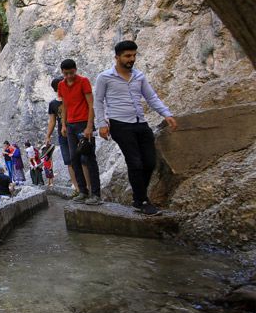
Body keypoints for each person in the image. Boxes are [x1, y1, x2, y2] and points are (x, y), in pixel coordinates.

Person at [95, 40, 178, 216]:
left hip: (140, 123)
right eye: (127, 56)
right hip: (120, 125)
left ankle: (138, 198)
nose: (131, 59)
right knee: (135, 163)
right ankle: (141, 200)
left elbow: (151, 97)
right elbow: (98, 101)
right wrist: (102, 124)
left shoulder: (138, 76)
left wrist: (166, 114)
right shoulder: (105, 77)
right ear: (117, 57)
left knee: (149, 162)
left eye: (134, 55)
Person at [58, 59, 102, 205]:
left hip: (84, 124)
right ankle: (82, 191)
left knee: (89, 158)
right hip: (70, 125)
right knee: (74, 159)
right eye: (66, 74)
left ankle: (95, 194)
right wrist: (63, 125)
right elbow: (64, 106)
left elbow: (91, 105)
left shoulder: (83, 81)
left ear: (75, 69)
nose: (69, 76)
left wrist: (89, 126)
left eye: (71, 73)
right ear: (62, 73)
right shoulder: (61, 85)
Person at [44, 76, 79, 194]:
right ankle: (76, 186)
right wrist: (48, 136)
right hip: (62, 134)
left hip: (76, 130)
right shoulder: (53, 104)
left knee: (80, 158)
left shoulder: (72, 98)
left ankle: (84, 186)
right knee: (69, 160)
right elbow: (52, 121)